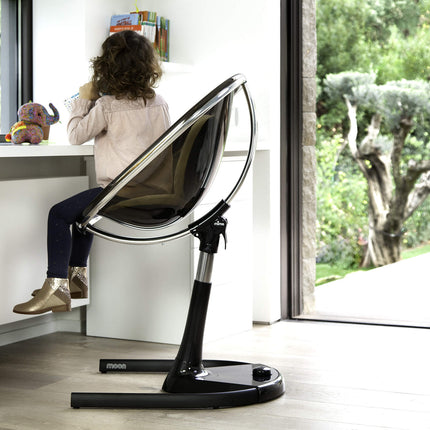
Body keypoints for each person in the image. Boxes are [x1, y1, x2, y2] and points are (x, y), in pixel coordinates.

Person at [13, 30, 171, 315]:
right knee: (85, 216)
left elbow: (75, 135)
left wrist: (83, 101)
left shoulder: (108, 106)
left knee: (59, 214)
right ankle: (75, 282)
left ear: (106, 67)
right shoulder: (158, 102)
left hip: (118, 193)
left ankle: (56, 288)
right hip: (151, 193)